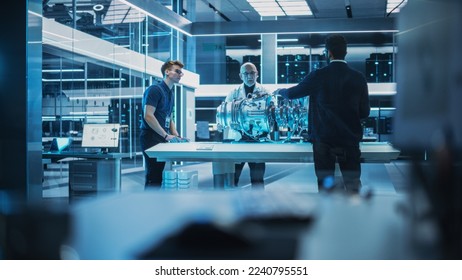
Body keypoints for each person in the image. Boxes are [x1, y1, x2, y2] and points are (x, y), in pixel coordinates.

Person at [274, 34, 370, 194]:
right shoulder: (358, 78)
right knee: (353, 185)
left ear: (328, 53)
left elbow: (292, 94)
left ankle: (328, 216)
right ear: (345, 53)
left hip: (323, 140)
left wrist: (280, 91)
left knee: (326, 186)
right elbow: (365, 112)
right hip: (349, 140)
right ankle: (356, 215)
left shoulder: (318, 75)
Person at [140, 60, 186, 188]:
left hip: (161, 137)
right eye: (177, 71)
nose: (180, 74)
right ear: (167, 72)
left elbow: (169, 117)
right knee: (153, 176)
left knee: (158, 175)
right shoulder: (155, 90)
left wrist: (176, 135)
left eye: (181, 72)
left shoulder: (170, 93)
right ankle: (149, 205)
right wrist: (166, 135)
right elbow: (148, 115)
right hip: (150, 137)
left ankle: (154, 204)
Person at [224, 62, 270, 189]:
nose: (249, 76)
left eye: (252, 73)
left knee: (258, 179)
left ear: (257, 74)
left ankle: (259, 207)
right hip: (238, 138)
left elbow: (271, 114)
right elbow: (226, 112)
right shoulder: (233, 93)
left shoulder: (265, 92)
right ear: (240, 76)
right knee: (233, 177)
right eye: (246, 73)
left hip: (258, 139)